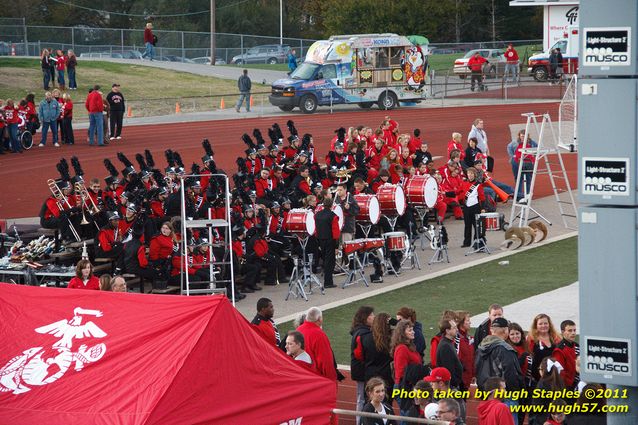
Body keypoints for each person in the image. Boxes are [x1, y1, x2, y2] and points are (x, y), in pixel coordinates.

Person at [475, 317, 524, 424]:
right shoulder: (505, 349)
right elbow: (512, 375)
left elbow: (477, 371)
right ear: (505, 330)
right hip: (505, 396)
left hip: (488, 395)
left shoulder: (480, 348)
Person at [392, 319, 423, 418]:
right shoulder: (402, 348)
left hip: (409, 386)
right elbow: (402, 372)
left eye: (412, 329)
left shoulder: (410, 346)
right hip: (404, 387)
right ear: (402, 333)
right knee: (407, 417)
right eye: (409, 330)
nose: (413, 332)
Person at [297, 307, 337, 381]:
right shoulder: (319, 335)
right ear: (319, 319)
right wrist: (331, 379)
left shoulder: (298, 330)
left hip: (300, 374)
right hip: (315, 377)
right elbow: (325, 360)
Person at [350, 306, 375, 422]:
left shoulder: (361, 331)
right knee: (361, 398)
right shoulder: (362, 333)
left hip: (361, 369)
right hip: (361, 370)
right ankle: (359, 421)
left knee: (363, 397)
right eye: (371, 315)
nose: (374, 317)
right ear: (365, 318)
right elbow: (359, 354)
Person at [361, 312, 394, 395]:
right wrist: (394, 322)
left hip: (370, 373)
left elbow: (361, 356)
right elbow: (405, 328)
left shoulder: (366, 337)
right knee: (386, 401)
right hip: (386, 374)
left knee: (370, 401)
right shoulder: (391, 338)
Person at [526, 313, 561, 384]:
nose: (543, 326)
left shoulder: (556, 338)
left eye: (545, 323)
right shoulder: (531, 339)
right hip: (537, 378)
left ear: (549, 324)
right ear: (536, 326)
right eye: (540, 324)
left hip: (554, 376)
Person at [315, 196, 341, 289]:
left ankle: (327, 280)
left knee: (325, 259)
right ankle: (328, 282)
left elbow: (316, 230)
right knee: (330, 261)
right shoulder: (333, 216)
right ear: (331, 205)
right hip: (330, 240)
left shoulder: (317, 215)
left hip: (320, 239)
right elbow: (336, 232)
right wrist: (337, 246)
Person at [435, 319, 463, 390]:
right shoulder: (445, 346)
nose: (457, 329)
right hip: (450, 387)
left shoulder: (448, 343)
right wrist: (455, 382)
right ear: (447, 331)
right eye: (454, 328)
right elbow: (449, 369)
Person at [552, 320, 579, 390]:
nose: (573, 333)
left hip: (579, 383)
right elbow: (560, 373)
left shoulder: (577, 346)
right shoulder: (559, 350)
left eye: (574, 330)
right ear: (563, 332)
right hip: (568, 387)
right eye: (570, 331)